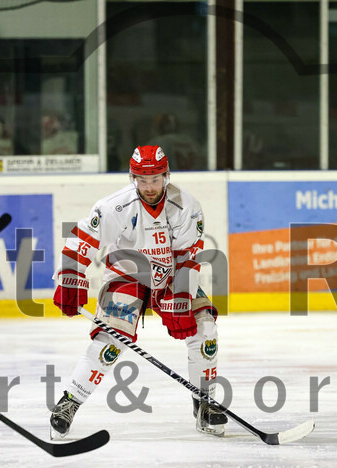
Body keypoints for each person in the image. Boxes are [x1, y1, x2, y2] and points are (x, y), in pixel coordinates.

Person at [49, 145, 225, 439]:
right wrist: (69, 277)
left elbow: (189, 257)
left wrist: (181, 297)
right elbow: (82, 239)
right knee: (109, 340)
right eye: (142, 180)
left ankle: (204, 402)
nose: (149, 187)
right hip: (126, 275)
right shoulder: (115, 206)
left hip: (172, 276)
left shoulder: (187, 207)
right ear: (132, 178)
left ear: (166, 176)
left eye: (155, 179)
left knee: (205, 328)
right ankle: (69, 402)